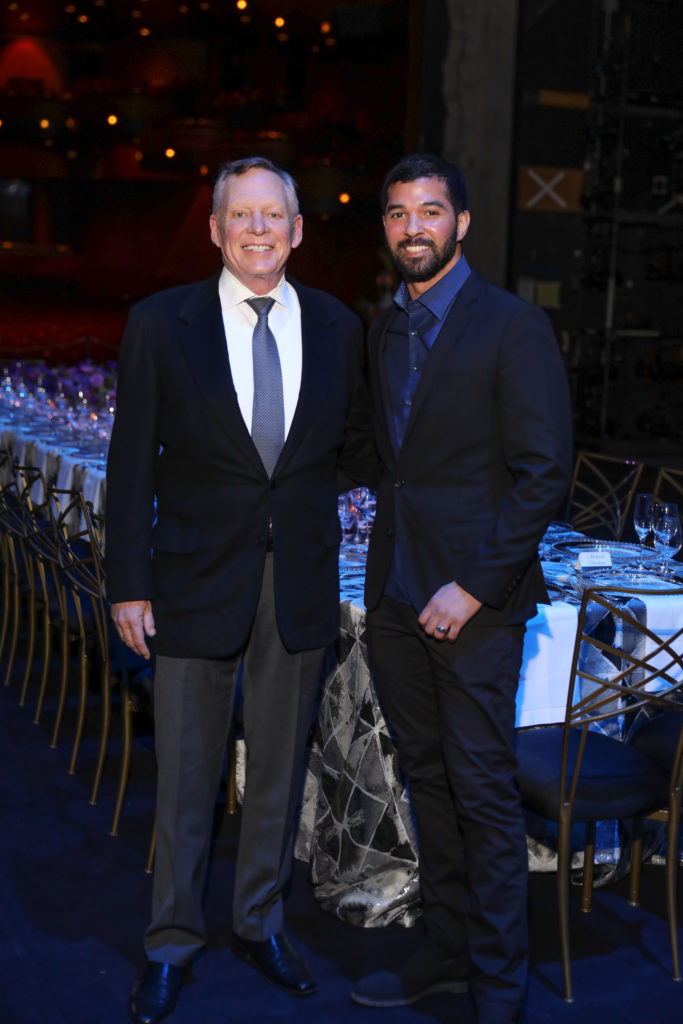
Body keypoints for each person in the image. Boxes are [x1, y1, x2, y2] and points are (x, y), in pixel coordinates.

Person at [105, 155, 375, 1024]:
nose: (258, 229)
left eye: (274, 216)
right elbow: (128, 464)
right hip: (188, 582)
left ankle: (259, 922)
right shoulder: (161, 323)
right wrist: (127, 582)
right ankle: (172, 942)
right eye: (241, 215)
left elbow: (361, 449)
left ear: (298, 232)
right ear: (216, 230)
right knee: (185, 777)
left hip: (294, 581)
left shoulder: (339, 326)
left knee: (277, 776)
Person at [350, 154, 573, 1024]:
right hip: (398, 599)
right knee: (428, 781)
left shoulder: (510, 326)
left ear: (462, 224)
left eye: (430, 212)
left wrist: (473, 587)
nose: (413, 227)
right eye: (398, 212)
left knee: (480, 791)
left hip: (471, 606)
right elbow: (389, 463)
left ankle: (497, 989)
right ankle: (444, 951)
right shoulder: (384, 326)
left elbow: (542, 473)